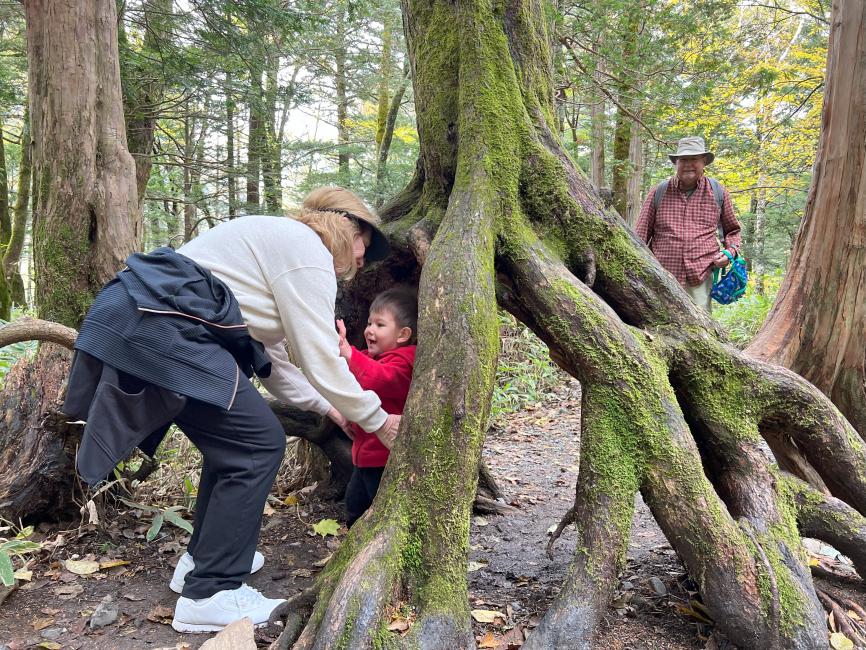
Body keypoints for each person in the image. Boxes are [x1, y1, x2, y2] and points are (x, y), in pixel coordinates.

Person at [62, 186, 400, 633]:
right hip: (163, 325)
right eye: (364, 244)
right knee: (257, 444)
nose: (363, 259)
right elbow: (319, 355)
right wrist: (378, 419)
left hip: (141, 315)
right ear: (344, 227)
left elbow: (275, 363)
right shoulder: (307, 253)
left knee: (236, 446)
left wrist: (335, 410)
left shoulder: (279, 247)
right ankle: (212, 592)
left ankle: (203, 563)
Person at [335, 286, 418, 526]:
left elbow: (377, 378)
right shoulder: (373, 359)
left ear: (402, 335)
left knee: (379, 513)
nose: (370, 330)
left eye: (380, 325)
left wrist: (350, 354)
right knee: (354, 507)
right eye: (370, 323)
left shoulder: (403, 364)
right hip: (364, 456)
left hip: (384, 458)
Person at [635, 136, 742, 311]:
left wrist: (729, 253)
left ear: (704, 162)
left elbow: (733, 231)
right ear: (676, 163)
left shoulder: (718, 192)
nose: (688, 164)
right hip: (662, 276)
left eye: (694, 159)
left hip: (700, 276)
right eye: (683, 160)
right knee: (661, 325)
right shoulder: (659, 192)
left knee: (700, 327)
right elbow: (639, 235)